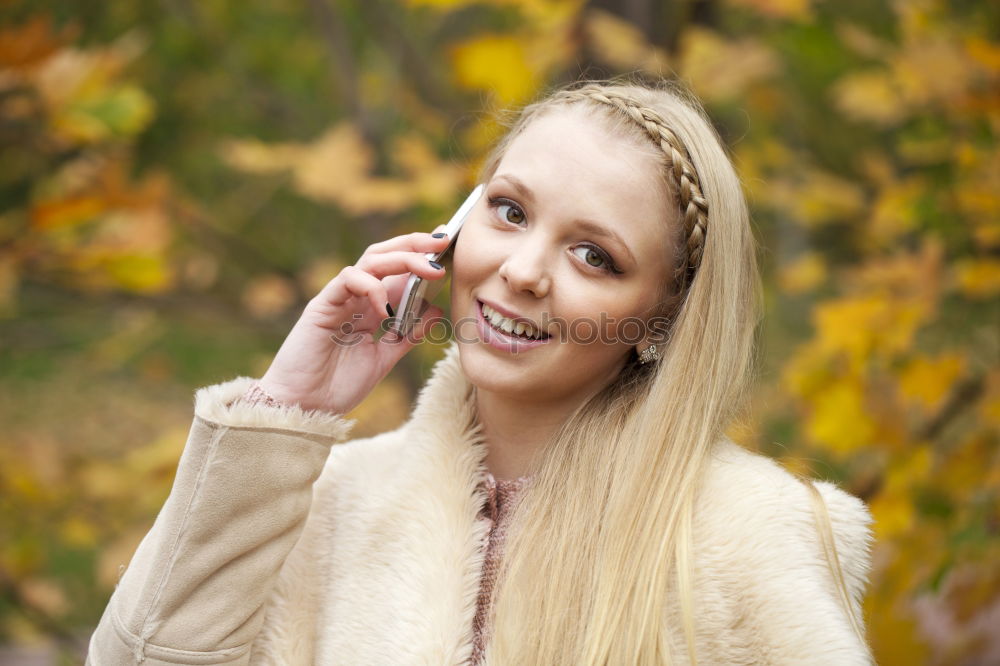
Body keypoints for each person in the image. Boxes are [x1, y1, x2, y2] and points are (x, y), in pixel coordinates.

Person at [87, 79, 873, 665]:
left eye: (594, 255)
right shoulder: (325, 501)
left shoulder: (751, 534)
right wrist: (285, 412)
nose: (524, 270)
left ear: (663, 319)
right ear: (454, 226)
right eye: (510, 211)